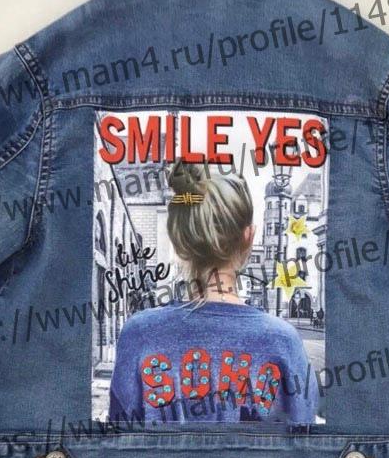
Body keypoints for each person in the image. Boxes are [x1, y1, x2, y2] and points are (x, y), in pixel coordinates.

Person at [109, 160, 319, 425]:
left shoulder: (139, 334)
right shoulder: (285, 342)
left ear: (177, 239)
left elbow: (116, 442)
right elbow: (305, 442)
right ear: (249, 237)